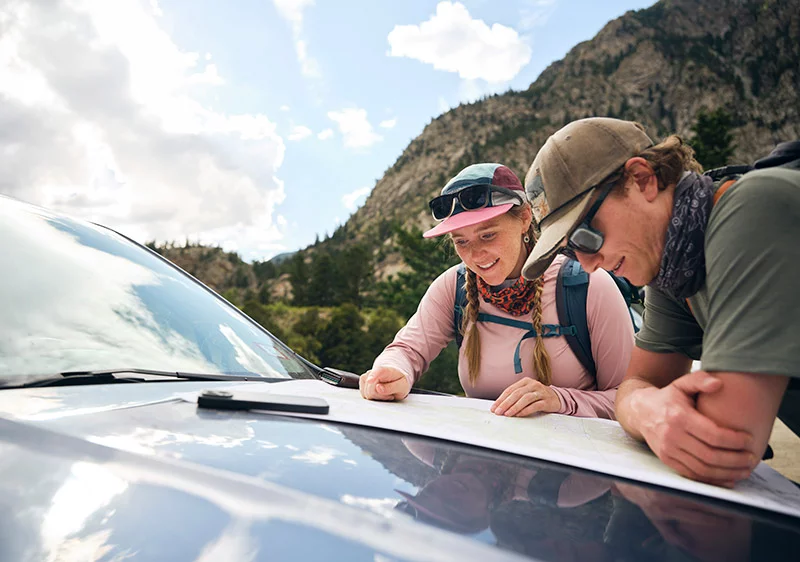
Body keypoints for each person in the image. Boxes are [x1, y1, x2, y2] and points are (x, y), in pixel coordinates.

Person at [520, 117, 800, 486]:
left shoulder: (753, 210)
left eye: (585, 236)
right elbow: (634, 385)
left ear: (642, 179)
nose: (587, 265)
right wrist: (646, 408)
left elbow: (722, 447)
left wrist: (645, 406)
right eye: (570, 252)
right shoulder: (674, 274)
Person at [360, 162, 634, 419]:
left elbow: (628, 399)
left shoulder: (587, 286)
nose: (476, 254)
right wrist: (392, 371)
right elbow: (407, 350)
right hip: (485, 465)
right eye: (461, 241)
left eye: (488, 235)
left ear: (525, 218)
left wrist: (559, 400)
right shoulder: (452, 288)